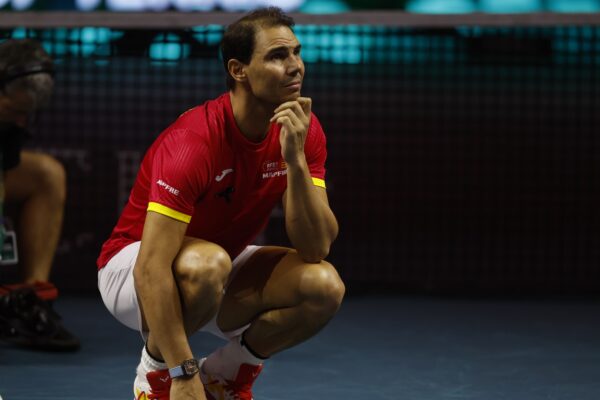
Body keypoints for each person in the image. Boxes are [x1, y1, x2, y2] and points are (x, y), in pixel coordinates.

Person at [97, 7, 345, 400]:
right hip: (131, 270)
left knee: (323, 286)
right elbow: (151, 267)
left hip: (215, 266)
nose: (296, 66)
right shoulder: (193, 142)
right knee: (207, 262)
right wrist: (180, 372)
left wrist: (294, 160)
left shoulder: (303, 129)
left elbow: (316, 248)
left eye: (297, 53)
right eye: (278, 56)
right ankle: (154, 376)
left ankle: (226, 376)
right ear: (238, 69)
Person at [0, 38, 80, 351]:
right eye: (14, 110)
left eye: (27, 113)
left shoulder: (10, 121)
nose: (21, 121)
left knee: (46, 175)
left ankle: (29, 299)